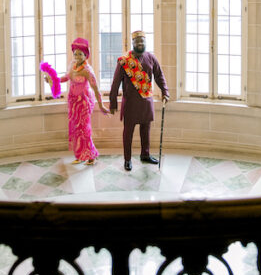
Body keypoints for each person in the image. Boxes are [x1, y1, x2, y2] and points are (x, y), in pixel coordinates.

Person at [109, 30, 169, 171]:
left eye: (142, 41)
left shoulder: (151, 58)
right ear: (133, 43)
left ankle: (145, 154)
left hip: (146, 102)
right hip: (130, 103)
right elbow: (115, 83)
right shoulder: (124, 61)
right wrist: (113, 102)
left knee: (146, 131)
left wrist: (165, 92)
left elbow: (159, 76)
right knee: (128, 132)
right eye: (137, 41)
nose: (140, 43)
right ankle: (127, 159)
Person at [42, 38, 108, 165]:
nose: (77, 56)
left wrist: (101, 105)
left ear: (85, 55)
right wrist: (52, 79)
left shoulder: (87, 71)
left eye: (80, 54)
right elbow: (65, 78)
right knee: (76, 129)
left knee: (85, 130)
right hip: (73, 102)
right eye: (75, 53)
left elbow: (96, 89)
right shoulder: (72, 66)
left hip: (83, 103)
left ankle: (91, 156)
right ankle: (80, 154)